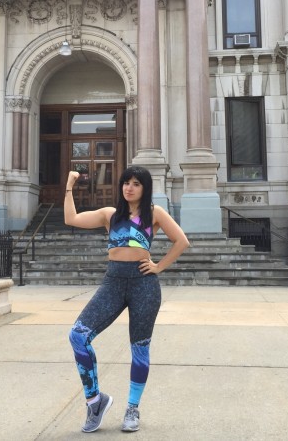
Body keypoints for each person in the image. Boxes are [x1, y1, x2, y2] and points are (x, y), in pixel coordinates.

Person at [65, 166, 190, 433]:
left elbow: (181, 241)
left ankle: (132, 408)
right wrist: (69, 185)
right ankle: (95, 401)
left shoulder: (154, 213)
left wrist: (159, 266)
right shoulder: (110, 215)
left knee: (140, 348)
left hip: (143, 284)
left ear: (144, 188)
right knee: (78, 335)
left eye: (135, 183)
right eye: (125, 183)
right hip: (113, 281)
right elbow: (71, 219)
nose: (129, 187)